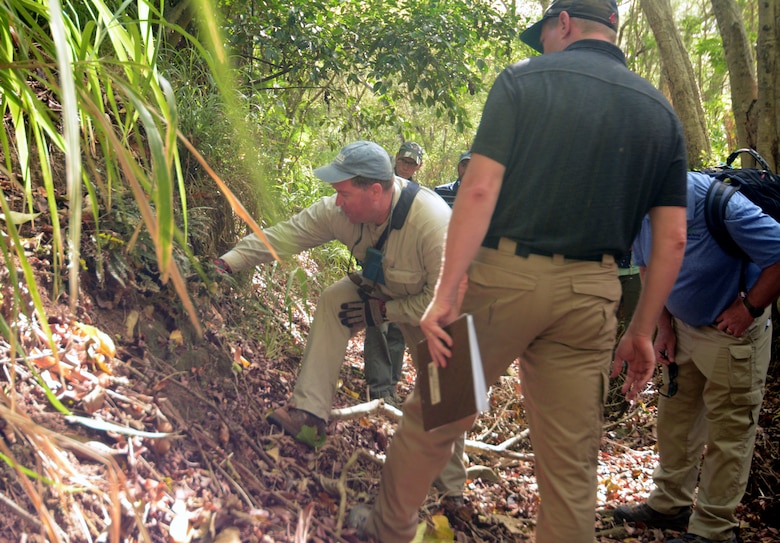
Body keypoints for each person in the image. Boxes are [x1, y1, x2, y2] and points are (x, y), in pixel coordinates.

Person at [348, 1, 689, 542]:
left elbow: (479, 191)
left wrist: (446, 291)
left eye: (546, 35)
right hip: (591, 299)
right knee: (571, 469)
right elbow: (672, 237)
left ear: (565, 23)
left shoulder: (523, 82)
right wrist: (641, 330)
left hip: (499, 285)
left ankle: (387, 530)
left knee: (438, 416)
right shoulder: (660, 114)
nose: (545, 46)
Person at [215, 140, 467, 499]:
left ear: (375, 191)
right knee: (336, 300)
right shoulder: (339, 212)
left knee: (450, 377)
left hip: (439, 306)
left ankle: (451, 488)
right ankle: (309, 415)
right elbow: (285, 236)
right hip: (382, 289)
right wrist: (229, 260)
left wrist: (382, 312)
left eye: (344, 193)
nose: (337, 201)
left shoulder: (432, 222)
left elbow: (443, 299)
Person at [612, 171, 780, 543]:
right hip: (682, 330)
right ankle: (670, 504)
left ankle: (714, 530)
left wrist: (749, 309)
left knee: (729, 433)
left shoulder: (717, 205)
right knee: (677, 420)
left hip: (731, 336)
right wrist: (665, 326)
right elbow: (647, 267)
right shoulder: (640, 206)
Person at [363, 141, 425, 405]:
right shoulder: (380, 183)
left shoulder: (420, 194)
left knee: (399, 327)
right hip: (378, 263)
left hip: (405, 269)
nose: (406, 166)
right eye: (404, 160)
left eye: (412, 163)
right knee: (377, 322)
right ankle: (378, 387)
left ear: (418, 166)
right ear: (396, 158)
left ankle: (391, 384)